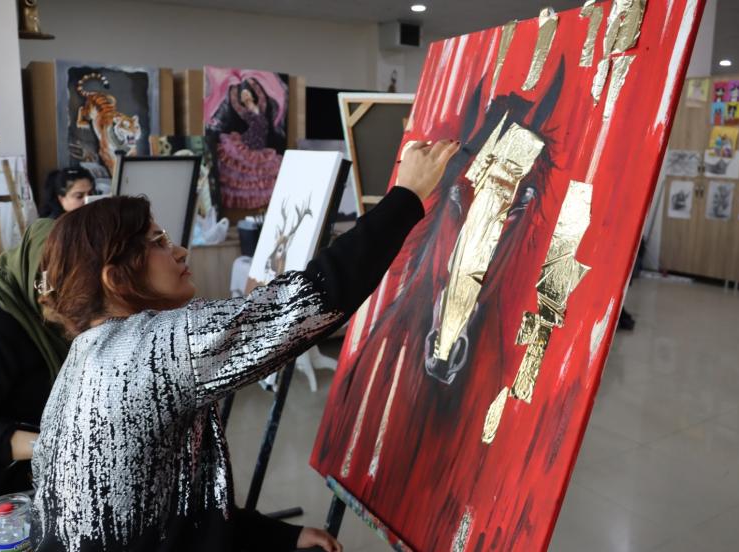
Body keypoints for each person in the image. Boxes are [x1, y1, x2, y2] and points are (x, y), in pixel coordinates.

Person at [30, 139, 460, 552]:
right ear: (115, 279)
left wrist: (276, 537)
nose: (180, 251)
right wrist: (406, 196)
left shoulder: (85, 355)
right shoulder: (151, 347)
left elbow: (168, 509)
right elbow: (309, 302)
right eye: (159, 242)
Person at [0, 219, 70, 500]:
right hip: (5, 493)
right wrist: (51, 445)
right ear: (31, 269)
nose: (52, 299)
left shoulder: (52, 318)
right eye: (47, 284)